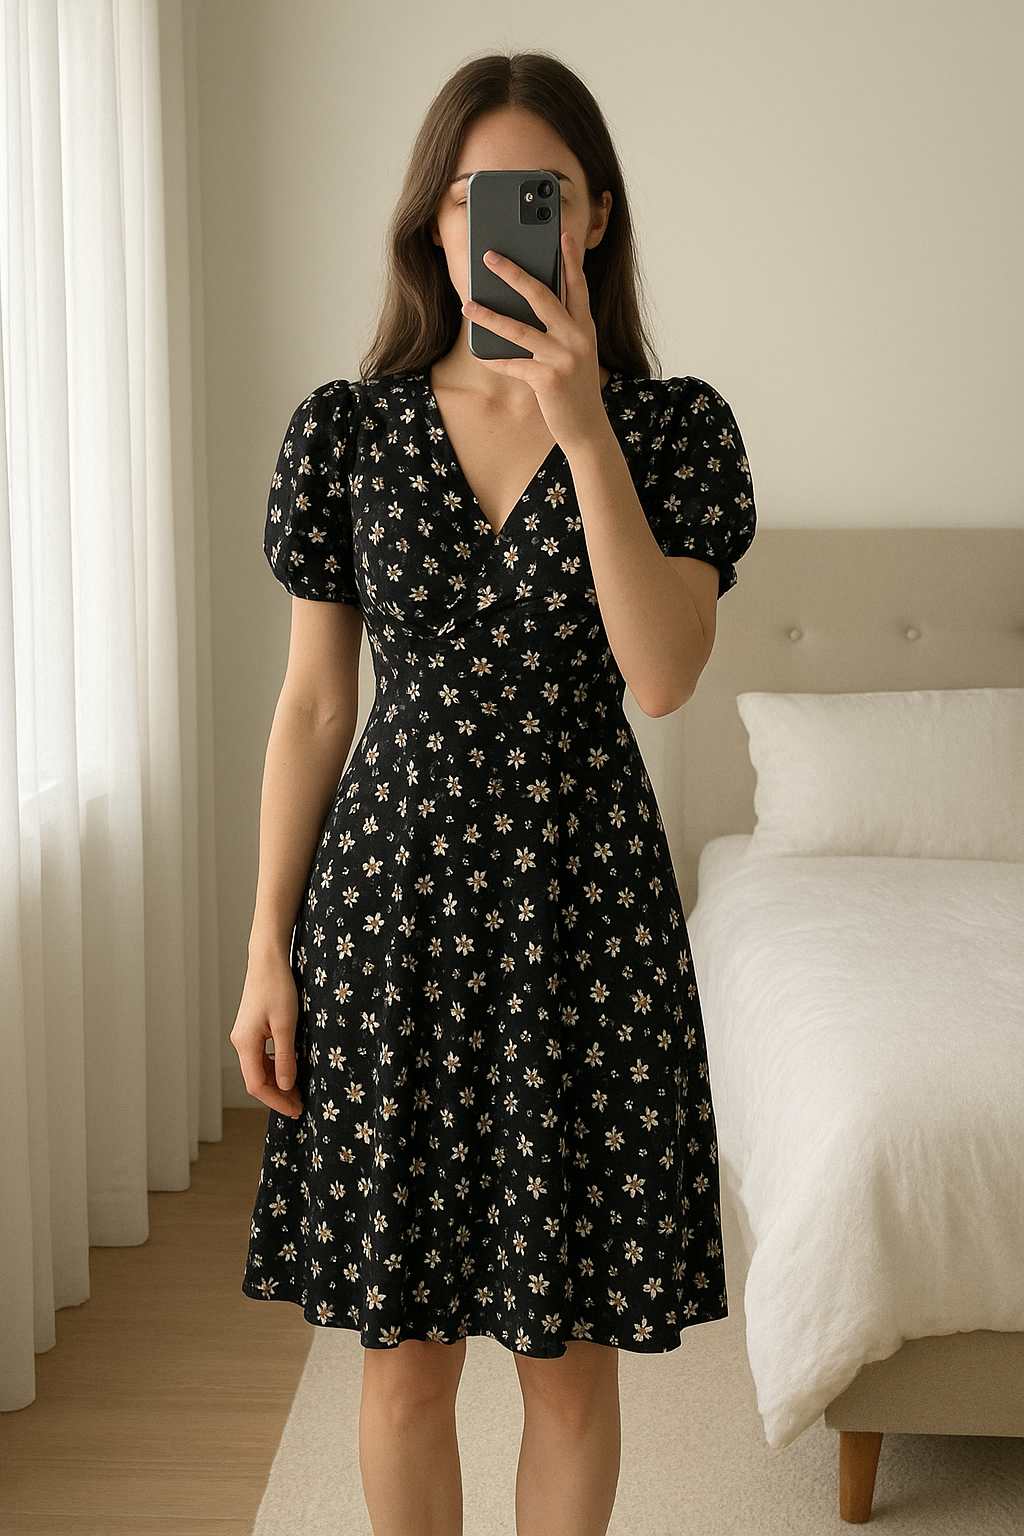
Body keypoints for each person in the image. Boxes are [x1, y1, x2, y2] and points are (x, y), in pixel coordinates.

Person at [231, 49, 755, 1536]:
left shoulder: (674, 430)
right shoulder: (347, 429)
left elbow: (663, 675)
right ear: (434, 219)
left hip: (584, 930)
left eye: (541, 192)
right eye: (474, 195)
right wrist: (268, 947)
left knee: (570, 1369)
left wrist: (583, 425)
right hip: (387, 922)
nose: (504, 221)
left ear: (593, 217)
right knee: (402, 1365)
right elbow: (314, 707)